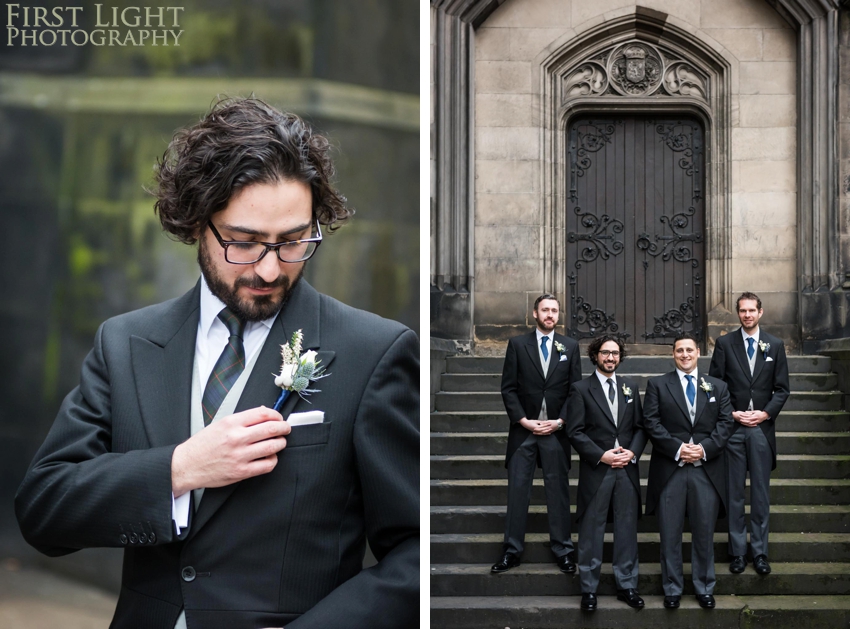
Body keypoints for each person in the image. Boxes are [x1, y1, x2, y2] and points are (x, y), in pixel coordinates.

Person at [15, 98, 419, 629]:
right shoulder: (126, 342)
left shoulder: (376, 351)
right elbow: (44, 509)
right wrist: (179, 470)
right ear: (196, 222)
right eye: (245, 243)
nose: (271, 268)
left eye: (294, 241)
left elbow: (415, 555)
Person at [642, 332, 734, 610]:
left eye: (689, 350)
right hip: (671, 469)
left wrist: (704, 448)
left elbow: (726, 423)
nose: (684, 355)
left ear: (698, 353)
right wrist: (679, 448)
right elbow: (651, 422)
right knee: (670, 532)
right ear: (673, 354)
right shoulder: (658, 385)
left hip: (706, 469)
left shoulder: (718, 386)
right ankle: (672, 588)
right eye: (679, 350)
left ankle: (704, 587)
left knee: (704, 532)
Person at [491, 294, 581, 575]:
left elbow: (575, 390)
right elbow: (508, 388)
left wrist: (561, 421)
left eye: (554, 310)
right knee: (518, 493)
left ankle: (564, 551)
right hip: (524, 432)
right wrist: (524, 421)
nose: (550, 314)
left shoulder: (570, 346)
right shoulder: (518, 345)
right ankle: (512, 551)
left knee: (558, 494)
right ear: (535, 313)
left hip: (556, 431)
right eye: (545, 310)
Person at [709, 292, 790, 576]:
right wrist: (731, 413)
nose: (747, 315)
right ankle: (737, 552)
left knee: (760, 494)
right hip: (733, 429)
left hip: (762, 430)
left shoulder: (776, 345)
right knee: (734, 495)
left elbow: (782, 389)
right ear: (737, 313)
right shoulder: (724, 344)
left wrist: (765, 413)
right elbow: (716, 386)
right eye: (742, 311)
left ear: (760, 312)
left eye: (751, 310)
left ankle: (760, 552)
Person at [566, 335, 647, 611]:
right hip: (597, 469)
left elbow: (640, 427)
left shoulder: (630, 387)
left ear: (619, 357)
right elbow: (574, 431)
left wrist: (632, 453)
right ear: (595, 355)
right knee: (591, 530)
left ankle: (627, 585)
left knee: (626, 529)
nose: (610, 358)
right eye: (605, 353)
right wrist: (600, 455)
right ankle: (589, 589)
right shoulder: (580, 389)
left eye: (614, 353)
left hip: (626, 469)